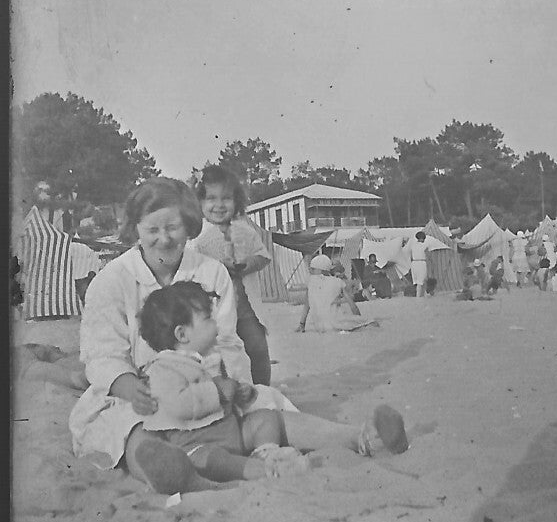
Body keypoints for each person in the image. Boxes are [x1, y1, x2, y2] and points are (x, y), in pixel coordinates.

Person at [70, 178, 408, 495]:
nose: (164, 238)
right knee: (132, 431)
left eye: (173, 228)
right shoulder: (112, 281)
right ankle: (173, 473)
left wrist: (233, 386)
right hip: (142, 393)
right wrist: (131, 388)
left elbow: (227, 340)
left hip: (215, 387)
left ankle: (361, 436)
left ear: (189, 226)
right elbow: (101, 354)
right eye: (152, 230)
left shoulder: (209, 271)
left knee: (266, 408)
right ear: (135, 230)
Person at [137, 281, 308, 483]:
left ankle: (266, 452)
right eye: (208, 318)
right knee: (213, 460)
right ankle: (263, 470)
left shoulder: (209, 358)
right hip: (196, 443)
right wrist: (217, 391)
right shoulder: (163, 367)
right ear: (182, 334)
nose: (215, 324)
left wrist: (241, 392)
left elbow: (228, 390)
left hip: (231, 432)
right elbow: (178, 404)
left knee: (266, 418)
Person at [188, 166, 275, 386]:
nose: (219, 205)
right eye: (211, 199)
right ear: (199, 203)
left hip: (245, 306)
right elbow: (191, 268)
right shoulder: (197, 236)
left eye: (226, 198)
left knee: (258, 347)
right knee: (218, 353)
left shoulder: (244, 230)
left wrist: (246, 266)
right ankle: (224, 391)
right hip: (213, 308)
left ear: (236, 201)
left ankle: (263, 389)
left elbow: (263, 256)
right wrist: (217, 267)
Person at [296, 255, 379, 332]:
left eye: (312, 269)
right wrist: (359, 319)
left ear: (319, 269)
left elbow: (306, 305)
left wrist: (302, 324)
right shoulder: (338, 282)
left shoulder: (310, 281)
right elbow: (352, 305)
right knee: (372, 322)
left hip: (319, 325)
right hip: (334, 323)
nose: (309, 270)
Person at [408, 231, 431, 299]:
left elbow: (410, 256)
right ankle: (419, 296)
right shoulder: (425, 245)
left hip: (414, 263)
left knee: (418, 280)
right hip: (421, 262)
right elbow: (428, 255)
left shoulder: (412, 245)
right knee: (422, 280)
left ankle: (423, 294)